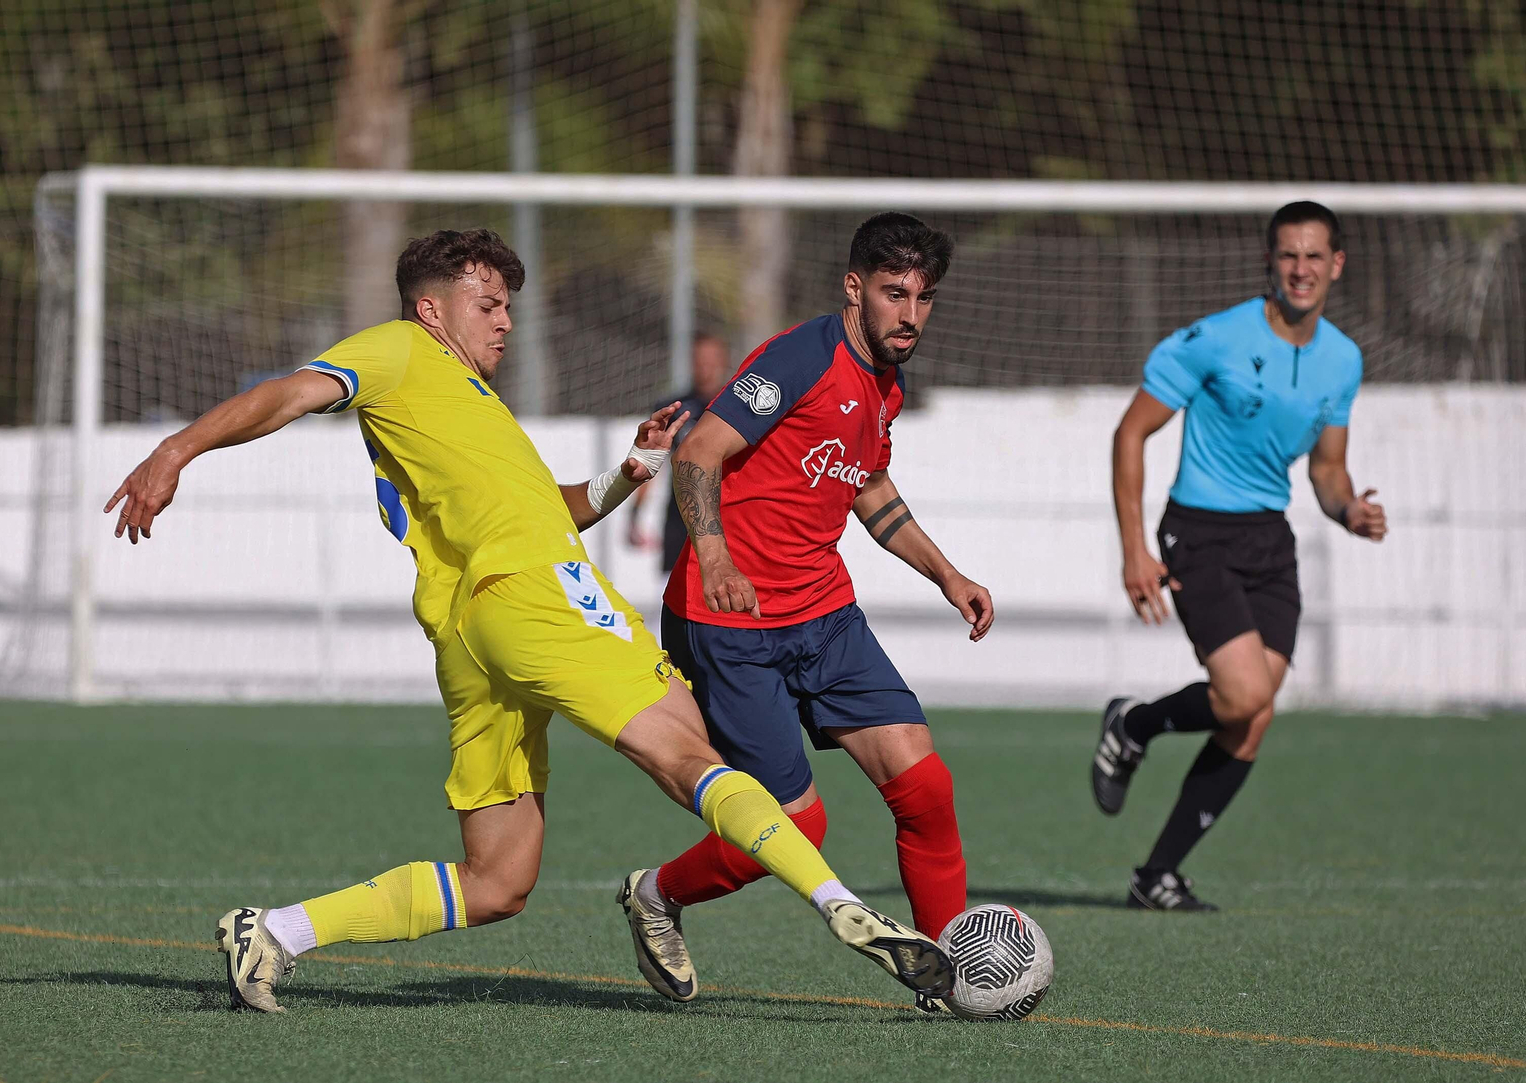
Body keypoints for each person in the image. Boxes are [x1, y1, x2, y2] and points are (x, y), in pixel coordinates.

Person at [104, 228, 953, 1012]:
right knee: (686, 751)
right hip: (537, 597)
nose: (506, 322)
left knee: (498, 881)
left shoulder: (463, 405)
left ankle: (278, 932)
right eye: (488, 305)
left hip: (471, 634)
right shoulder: (399, 349)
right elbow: (288, 393)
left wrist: (628, 473)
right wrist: (175, 450)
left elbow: (549, 508)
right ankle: (845, 907)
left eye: (509, 305)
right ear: (432, 309)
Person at [616, 213, 993, 1011]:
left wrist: (945, 573)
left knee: (926, 788)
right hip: (732, 628)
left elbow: (867, 486)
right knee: (796, 833)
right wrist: (713, 554)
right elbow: (697, 452)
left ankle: (953, 979)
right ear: (855, 288)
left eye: (925, 298)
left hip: (825, 618)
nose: (911, 314)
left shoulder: (886, 378)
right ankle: (657, 893)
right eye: (895, 294)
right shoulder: (800, 356)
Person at [1093, 201, 1387, 911]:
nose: (1302, 268)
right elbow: (1130, 434)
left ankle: (1155, 873)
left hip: (1268, 539)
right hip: (1198, 532)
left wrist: (1348, 509)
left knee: (1252, 716)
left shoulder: (1343, 359)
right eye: (1289, 254)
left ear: (1336, 265)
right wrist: (1134, 547)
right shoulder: (1214, 339)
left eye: (1315, 256)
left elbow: (1326, 470)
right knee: (1246, 693)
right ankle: (1132, 724)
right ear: (1270, 262)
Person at [626, 331, 732, 569]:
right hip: (682, 513)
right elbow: (652, 462)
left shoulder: (737, 405)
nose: (706, 367)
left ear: (724, 361)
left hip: (728, 513)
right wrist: (635, 515)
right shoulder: (674, 407)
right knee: (676, 589)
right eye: (700, 359)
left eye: (712, 359)